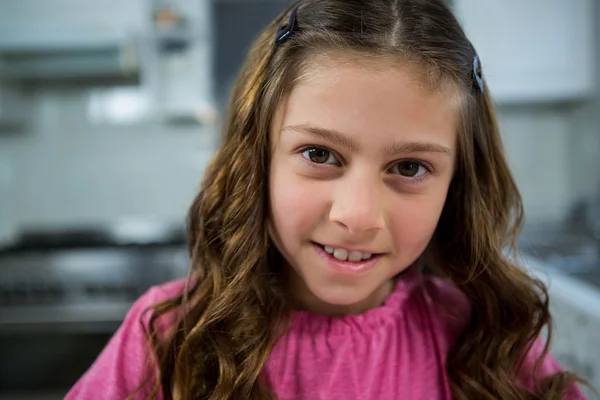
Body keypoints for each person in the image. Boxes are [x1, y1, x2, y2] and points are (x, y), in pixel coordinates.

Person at [67, 0, 589, 399]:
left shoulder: (491, 342)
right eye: (319, 154)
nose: (357, 216)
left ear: (459, 185)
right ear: (258, 159)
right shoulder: (167, 337)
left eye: (409, 167)